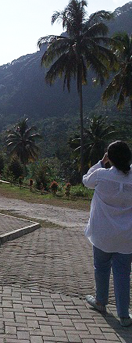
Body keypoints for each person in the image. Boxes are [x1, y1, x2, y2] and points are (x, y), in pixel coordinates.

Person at [82, 140, 132, 327]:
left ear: (110, 158)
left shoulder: (102, 176)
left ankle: (101, 302)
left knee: (101, 268)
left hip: (103, 234)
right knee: (123, 273)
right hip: (127, 236)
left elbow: (86, 180)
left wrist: (102, 162)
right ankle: (124, 315)